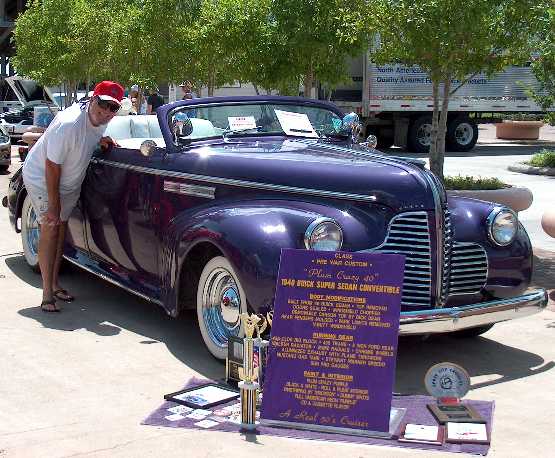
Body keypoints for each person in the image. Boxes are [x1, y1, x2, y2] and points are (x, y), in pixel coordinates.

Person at [22, 80, 124, 312]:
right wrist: (53, 205)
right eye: (103, 104)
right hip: (43, 178)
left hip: (69, 182)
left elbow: (86, 137)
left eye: (113, 108)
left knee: (61, 229)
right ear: (93, 99)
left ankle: (55, 284)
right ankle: (47, 294)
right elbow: (51, 165)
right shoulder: (68, 124)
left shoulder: (98, 119)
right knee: (50, 225)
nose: (107, 111)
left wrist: (101, 140)